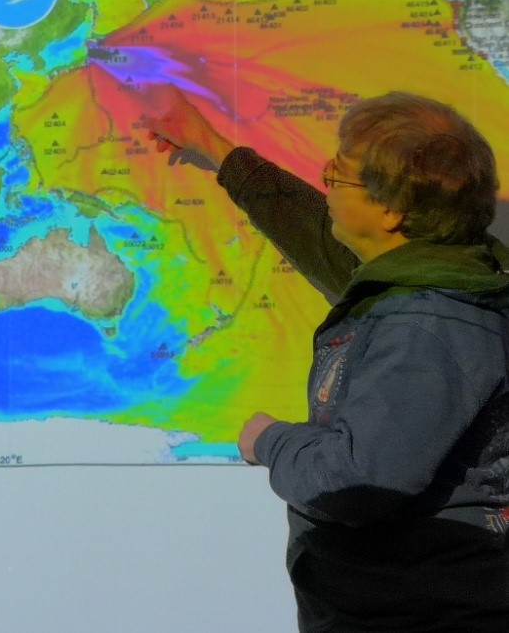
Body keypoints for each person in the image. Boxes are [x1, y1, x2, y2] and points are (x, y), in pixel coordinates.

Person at [145, 87, 509, 632]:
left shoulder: (427, 325)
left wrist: (268, 441)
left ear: (390, 211)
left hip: (411, 615)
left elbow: (356, 481)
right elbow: (311, 230)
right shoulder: (424, 272)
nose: (324, 179)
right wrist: (214, 148)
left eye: (339, 176)